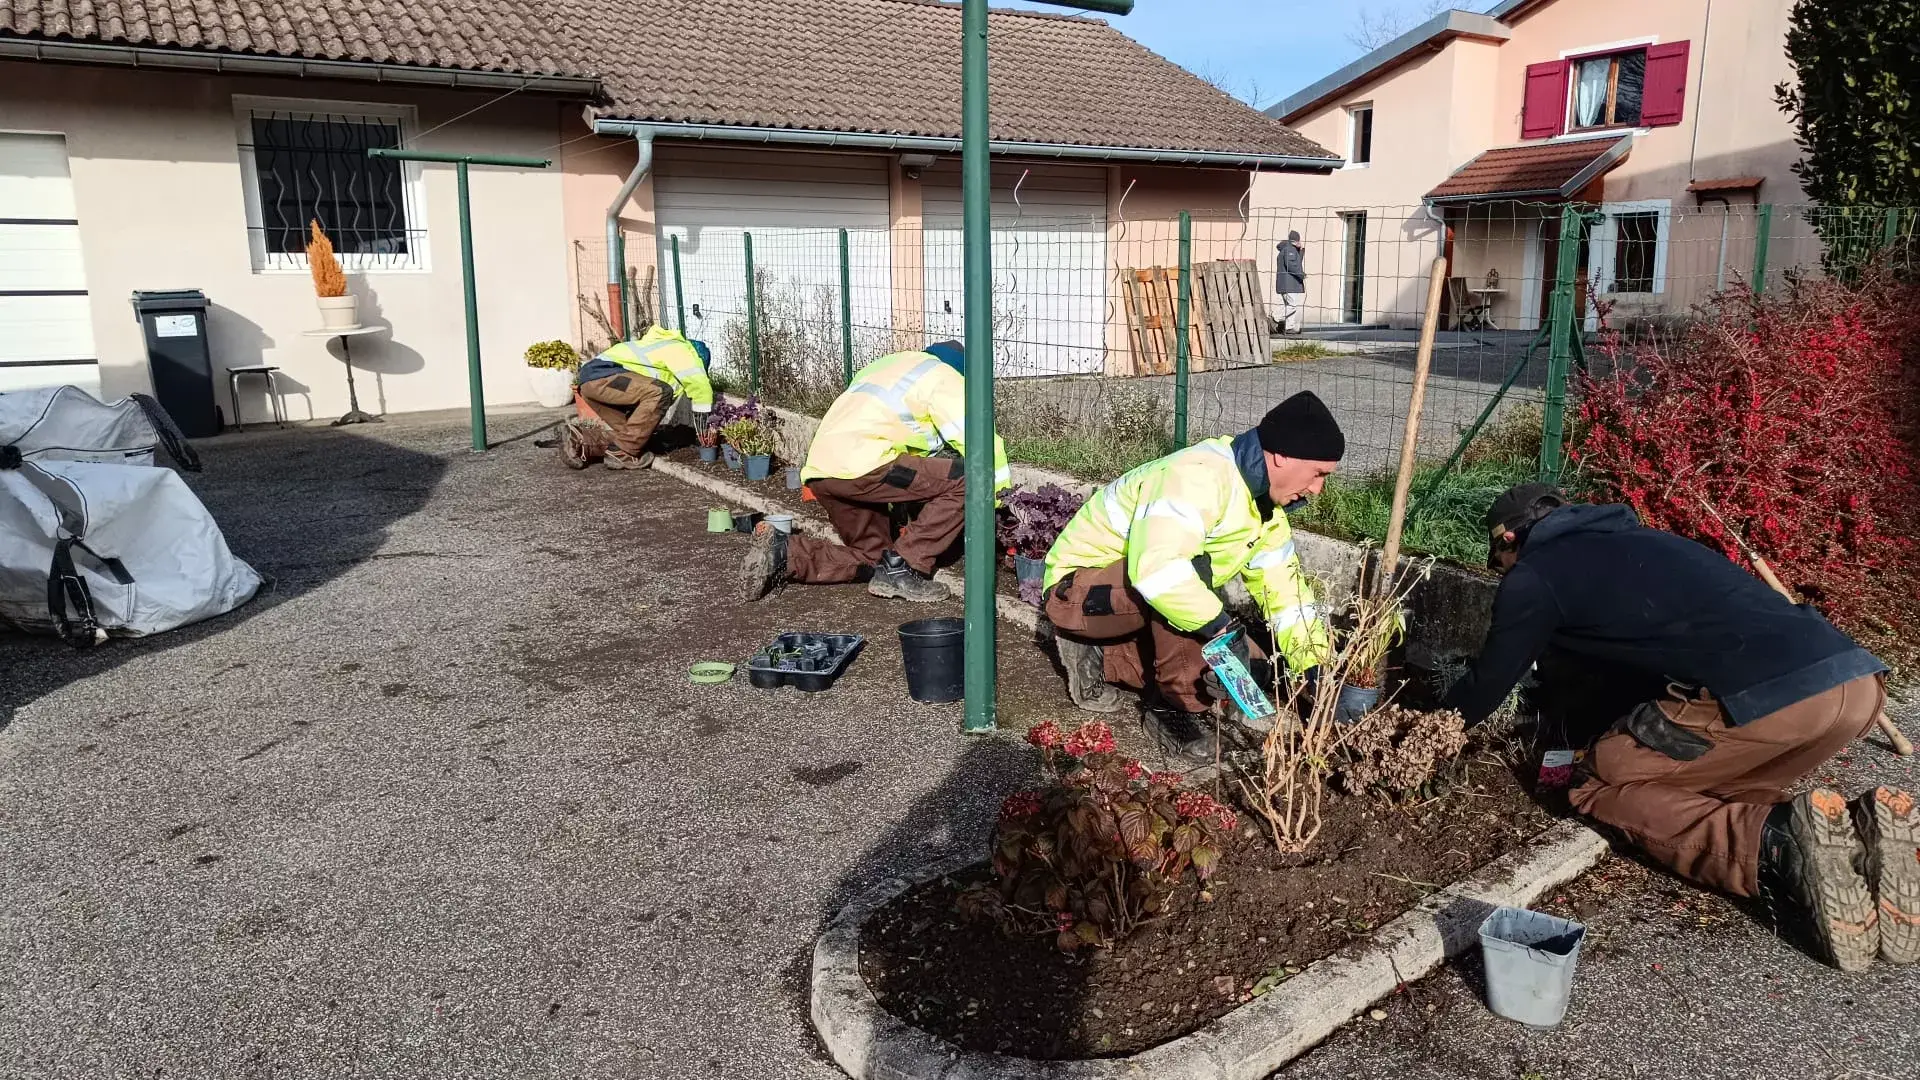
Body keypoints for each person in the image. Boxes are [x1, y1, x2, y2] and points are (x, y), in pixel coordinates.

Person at [1446, 483, 1917, 971]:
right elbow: (1625, 668)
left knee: (1601, 777)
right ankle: (1858, 847)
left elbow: (1487, 684)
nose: (1500, 572)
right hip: (1856, 686)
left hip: (1772, 697)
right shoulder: (1650, 543)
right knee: (1716, 782)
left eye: (1497, 560)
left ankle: (1773, 840)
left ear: (1509, 540)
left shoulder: (1534, 576)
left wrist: (1429, 725)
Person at [1041, 391, 1341, 758]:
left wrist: (1314, 665)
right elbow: (1160, 570)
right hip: (1077, 592)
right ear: (1281, 456)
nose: (1317, 489)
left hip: (1127, 598)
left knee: (1257, 671)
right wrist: (1222, 631)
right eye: (1318, 474)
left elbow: (1288, 598)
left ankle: (1102, 656)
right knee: (1198, 607)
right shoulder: (1198, 476)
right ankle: (1171, 712)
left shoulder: (1268, 514)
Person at [739, 341, 1010, 603]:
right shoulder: (944, 377)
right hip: (865, 465)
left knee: (876, 556)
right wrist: (996, 499)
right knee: (971, 478)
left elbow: (901, 441)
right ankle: (903, 565)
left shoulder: (889, 367)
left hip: (822, 472)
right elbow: (981, 442)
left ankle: (786, 554)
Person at [561, 325, 713, 470]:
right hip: (605, 377)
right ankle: (623, 454)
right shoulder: (682, 350)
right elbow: (700, 386)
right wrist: (703, 429)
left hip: (589, 383)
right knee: (660, 392)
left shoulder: (656, 348)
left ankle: (582, 441)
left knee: (634, 435)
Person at [1273, 230, 1307, 335]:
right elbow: (1292, 265)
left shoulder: (1287, 250)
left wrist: (1301, 251)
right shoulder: (1289, 250)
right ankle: (1275, 318)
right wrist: (1301, 275)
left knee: (1289, 305)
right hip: (1289, 283)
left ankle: (1288, 327)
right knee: (1292, 305)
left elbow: (1296, 262)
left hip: (1287, 283)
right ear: (1296, 240)